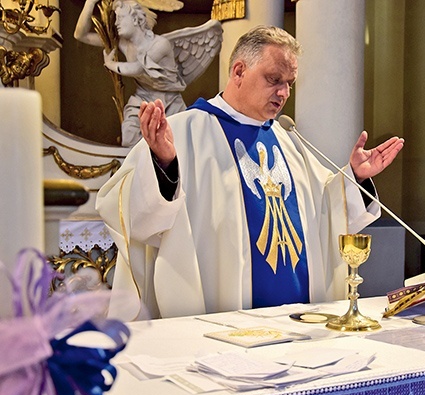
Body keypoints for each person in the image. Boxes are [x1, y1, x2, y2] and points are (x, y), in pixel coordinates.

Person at [96, 25, 404, 320]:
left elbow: (325, 210)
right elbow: (124, 212)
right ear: (239, 71)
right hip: (218, 327)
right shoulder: (182, 132)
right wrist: (164, 166)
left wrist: (355, 178)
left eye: (289, 83)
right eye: (274, 79)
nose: (284, 93)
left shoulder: (288, 139)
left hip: (298, 322)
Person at [75, 0, 187, 147]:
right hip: (143, 99)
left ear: (135, 19)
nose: (116, 24)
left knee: (177, 146)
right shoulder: (124, 44)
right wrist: (90, 3)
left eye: (120, 18)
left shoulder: (160, 44)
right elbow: (80, 35)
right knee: (129, 139)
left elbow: (138, 68)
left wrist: (110, 64)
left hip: (170, 103)